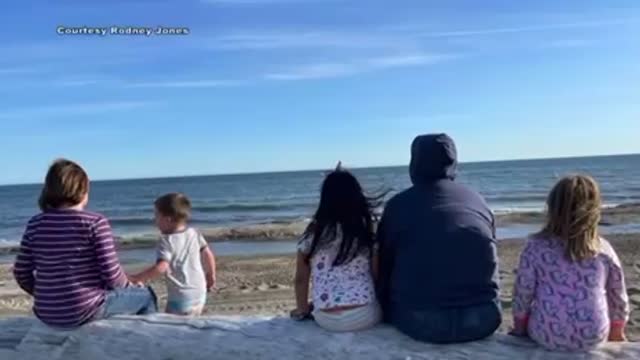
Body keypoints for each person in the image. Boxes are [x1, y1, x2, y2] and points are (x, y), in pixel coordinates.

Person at [377, 133, 500, 343]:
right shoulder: (477, 200)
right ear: (453, 162)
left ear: (414, 163)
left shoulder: (398, 205)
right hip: (484, 318)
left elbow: (382, 266)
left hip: (419, 321)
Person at [13, 159, 157, 328]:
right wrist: (129, 286)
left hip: (46, 313)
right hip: (83, 311)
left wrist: (47, 296)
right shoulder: (95, 223)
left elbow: (21, 272)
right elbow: (112, 276)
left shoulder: (35, 224)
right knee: (146, 295)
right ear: (82, 190)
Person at [511, 175, 630, 351]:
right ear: (594, 211)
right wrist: (617, 330)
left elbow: (523, 293)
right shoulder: (603, 249)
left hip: (547, 334)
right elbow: (618, 296)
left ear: (552, 209)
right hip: (593, 335)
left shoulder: (536, 247)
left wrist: (520, 327)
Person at [290, 165, 382, 332]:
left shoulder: (313, 235)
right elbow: (376, 276)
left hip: (326, 318)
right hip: (364, 315)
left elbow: (301, 280)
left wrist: (302, 309)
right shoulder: (366, 233)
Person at [129, 193, 217, 316]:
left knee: (172, 324)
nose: (154, 220)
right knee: (190, 323)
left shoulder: (166, 240)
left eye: (156, 216)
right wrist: (211, 274)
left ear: (168, 219)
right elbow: (207, 254)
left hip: (181, 296)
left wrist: (138, 278)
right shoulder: (194, 233)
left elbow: (162, 267)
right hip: (199, 291)